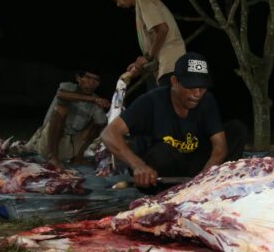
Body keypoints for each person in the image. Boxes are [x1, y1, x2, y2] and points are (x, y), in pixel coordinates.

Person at [101, 52, 247, 188]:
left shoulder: (207, 100)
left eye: (202, 87)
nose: (197, 93)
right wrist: (137, 165)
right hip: (157, 174)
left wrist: (204, 178)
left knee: (236, 129)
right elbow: (109, 134)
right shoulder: (151, 101)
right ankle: (168, 191)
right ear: (175, 81)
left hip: (191, 168)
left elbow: (219, 146)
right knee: (163, 153)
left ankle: (208, 185)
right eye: (191, 86)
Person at [105, 0, 186, 88]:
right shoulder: (139, 5)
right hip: (164, 66)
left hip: (171, 65)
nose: (118, 4)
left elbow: (163, 30)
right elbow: (155, 45)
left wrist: (146, 58)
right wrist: (139, 65)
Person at [26, 68, 110, 167]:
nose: (91, 83)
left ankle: (78, 158)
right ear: (78, 78)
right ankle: (53, 158)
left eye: (96, 80)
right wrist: (93, 99)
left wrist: (108, 108)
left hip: (69, 145)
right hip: (48, 144)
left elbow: (101, 125)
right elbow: (61, 95)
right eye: (88, 78)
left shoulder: (97, 101)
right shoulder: (68, 87)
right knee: (61, 109)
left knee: (98, 122)